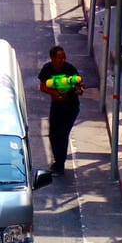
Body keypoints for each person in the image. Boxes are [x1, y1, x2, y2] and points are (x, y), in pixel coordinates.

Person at [38, 45, 84, 175]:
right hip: (56, 106)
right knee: (53, 134)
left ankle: (60, 164)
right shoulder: (47, 69)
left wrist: (79, 90)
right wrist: (54, 92)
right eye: (59, 58)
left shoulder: (70, 69)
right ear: (52, 58)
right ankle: (57, 160)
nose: (62, 60)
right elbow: (42, 87)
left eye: (64, 57)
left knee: (63, 135)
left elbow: (79, 85)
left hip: (70, 107)